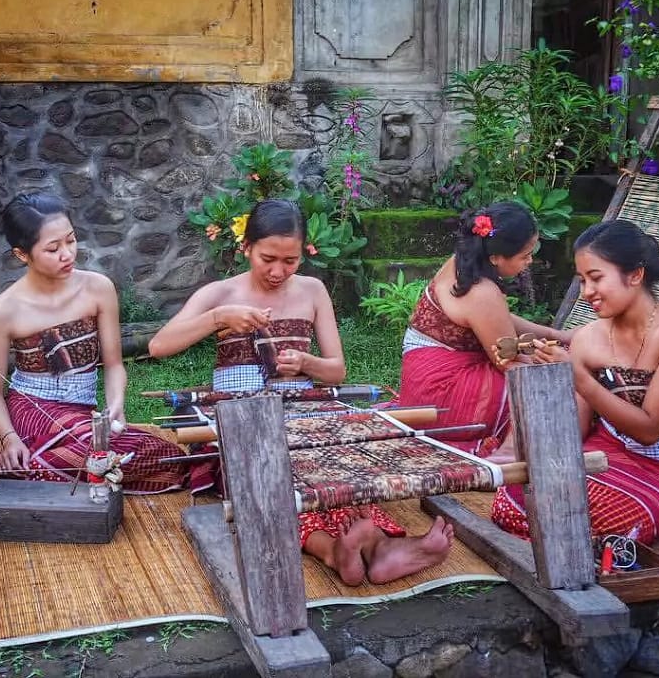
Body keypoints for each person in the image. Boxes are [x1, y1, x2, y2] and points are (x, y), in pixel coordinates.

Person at [149, 198, 454, 585]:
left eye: (290, 261)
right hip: (242, 416)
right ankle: (337, 548)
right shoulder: (220, 294)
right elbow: (159, 346)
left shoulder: (312, 291)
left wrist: (307, 365)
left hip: (305, 411)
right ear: (246, 248)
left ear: (303, 254)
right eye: (268, 258)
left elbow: (337, 370)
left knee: (338, 460)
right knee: (276, 469)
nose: (278, 271)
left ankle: (374, 547)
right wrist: (216, 318)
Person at [491, 221, 659, 544]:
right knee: (511, 498)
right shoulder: (588, 338)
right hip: (605, 454)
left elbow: (650, 431)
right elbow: (576, 431)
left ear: (635, 275)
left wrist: (578, 377)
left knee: (605, 520)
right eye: (582, 281)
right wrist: (541, 382)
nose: (586, 293)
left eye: (596, 278)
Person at [0, 192, 189, 493]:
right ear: (21, 255)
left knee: (169, 459)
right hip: (32, 410)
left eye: (71, 240)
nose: (67, 254)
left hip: (83, 414)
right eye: (53, 248)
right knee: (101, 451)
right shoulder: (5, 311)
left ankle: (6, 471)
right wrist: (10, 438)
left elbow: (115, 364)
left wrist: (116, 404)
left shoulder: (98, 288)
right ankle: (21, 460)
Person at [397, 201, 571, 455]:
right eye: (525, 256)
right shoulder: (483, 292)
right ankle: (509, 452)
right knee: (547, 385)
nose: (530, 261)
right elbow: (507, 361)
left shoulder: (462, 262)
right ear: (496, 258)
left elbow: (495, 318)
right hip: (440, 395)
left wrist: (556, 335)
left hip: (419, 382)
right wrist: (556, 361)